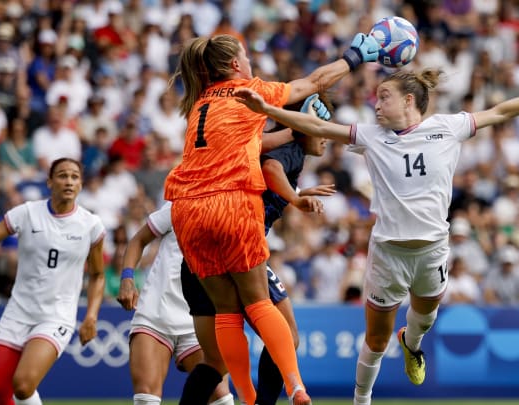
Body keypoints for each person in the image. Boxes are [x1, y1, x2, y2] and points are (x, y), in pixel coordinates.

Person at [234, 70, 519, 404]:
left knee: (423, 321)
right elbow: (316, 125)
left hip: (433, 250)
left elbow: (500, 111)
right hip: (388, 252)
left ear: (408, 100)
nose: (376, 104)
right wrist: (266, 110)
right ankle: (361, 400)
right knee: (374, 338)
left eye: (383, 97)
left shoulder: (448, 127)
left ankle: (411, 343)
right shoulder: (371, 135)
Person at [162, 33, 378, 405]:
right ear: (234, 65)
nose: (250, 63)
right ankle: (295, 386)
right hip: (231, 205)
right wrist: (355, 57)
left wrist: (294, 129)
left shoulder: (200, 105)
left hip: (187, 211)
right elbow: (314, 83)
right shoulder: (247, 92)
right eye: (246, 56)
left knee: (225, 325)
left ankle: (247, 396)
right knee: (261, 305)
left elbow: (253, 145)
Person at [178, 97, 335, 405]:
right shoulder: (290, 151)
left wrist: (296, 193)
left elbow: (259, 178)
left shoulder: (264, 145)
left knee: (215, 361)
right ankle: (276, 396)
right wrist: (294, 197)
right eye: (321, 126)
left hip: (199, 254)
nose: (326, 135)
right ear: (302, 123)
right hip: (241, 249)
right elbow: (272, 167)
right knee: (288, 335)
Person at [0, 158, 106, 405]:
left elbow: (97, 275)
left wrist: (91, 317)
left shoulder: (91, 225)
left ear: (81, 184)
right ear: (49, 182)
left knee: (22, 385)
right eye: (63, 175)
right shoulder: (27, 212)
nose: (69, 181)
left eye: (75, 176)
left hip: (55, 316)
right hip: (17, 314)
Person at [115, 201, 233, 405]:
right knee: (146, 398)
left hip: (200, 318)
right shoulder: (182, 203)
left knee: (221, 398)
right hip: (156, 312)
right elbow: (138, 240)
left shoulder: (236, 211)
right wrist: (127, 278)